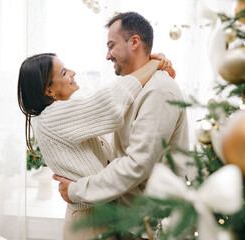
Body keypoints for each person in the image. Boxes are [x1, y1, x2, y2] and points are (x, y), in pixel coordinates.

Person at [53, 11, 190, 238]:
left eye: (111, 45)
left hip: (152, 228)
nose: (108, 55)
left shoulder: (158, 91)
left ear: (134, 42)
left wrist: (77, 190)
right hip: (128, 221)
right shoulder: (131, 88)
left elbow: (136, 164)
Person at [17, 52, 174, 240]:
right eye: (64, 72)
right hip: (90, 221)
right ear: (49, 91)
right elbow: (111, 102)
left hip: (95, 214)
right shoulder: (52, 118)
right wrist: (154, 64)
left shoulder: (58, 115)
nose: (73, 73)